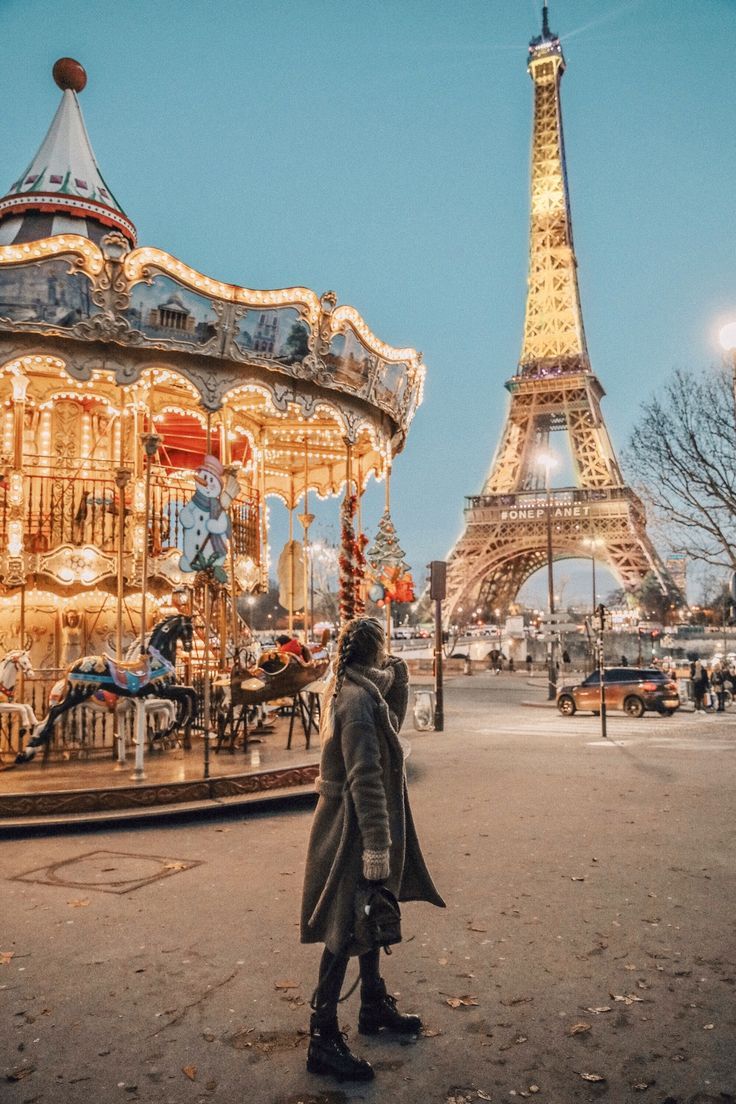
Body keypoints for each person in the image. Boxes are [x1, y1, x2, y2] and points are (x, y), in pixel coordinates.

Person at [300, 616, 445, 1082]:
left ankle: (372, 1002)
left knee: (369, 912)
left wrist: (398, 677)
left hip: (357, 823)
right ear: (373, 650)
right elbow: (365, 777)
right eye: (385, 649)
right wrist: (378, 846)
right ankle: (322, 1036)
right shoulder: (357, 702)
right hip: (354, 830)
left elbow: (392, 727)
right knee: (345, 926)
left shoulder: (359, 690)